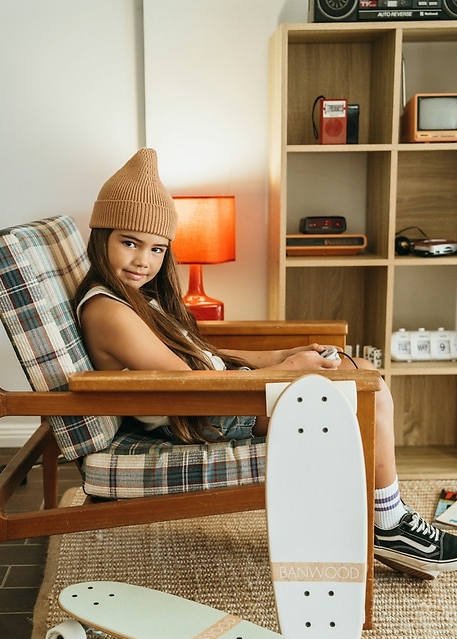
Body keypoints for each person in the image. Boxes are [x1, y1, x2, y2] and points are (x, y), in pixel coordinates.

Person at [74, 147, 457, 581]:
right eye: (129, 242)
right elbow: (191, 385)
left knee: (359, 370)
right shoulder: (110, 312)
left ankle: (387, 517)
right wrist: (286, 372)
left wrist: (282, 357)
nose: (144, 260)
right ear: (101, 237)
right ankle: (388, 523)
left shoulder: (138, 299)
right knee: (366, 390)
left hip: (219, 398)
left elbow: (205, 357)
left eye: (157, 248)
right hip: (206, 415)